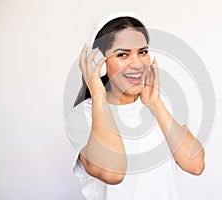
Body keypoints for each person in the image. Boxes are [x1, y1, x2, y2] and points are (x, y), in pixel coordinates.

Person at [72, 12, 205, 200]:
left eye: (142, 52)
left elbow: (196, 164)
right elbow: (112, 173)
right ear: (99, 62)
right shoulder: (82, 116)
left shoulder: (159, 104)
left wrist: (155, 104)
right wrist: (98, 93)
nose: (137, 64)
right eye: (123, 55)